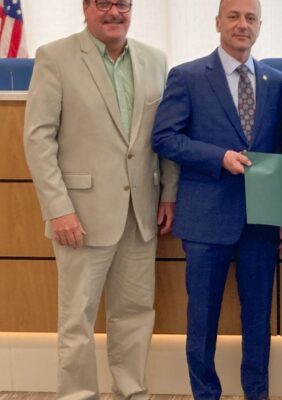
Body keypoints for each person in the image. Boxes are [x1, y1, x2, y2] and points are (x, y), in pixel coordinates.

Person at [22, 1, 179, 399]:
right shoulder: (54, 57)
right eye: (104, 3)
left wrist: (169, 195)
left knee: (135, 316)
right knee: (77, 320)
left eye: (122, 4)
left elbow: (165, 135)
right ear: (86, 8)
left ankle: (132, 392)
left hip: (141, 213)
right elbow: (38, 141)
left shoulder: (155, 60)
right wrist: (59, 210)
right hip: (80, 217)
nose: (114, 12)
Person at [151, 0, 282, 398]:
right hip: (205, 218)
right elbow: (164, 138)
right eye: (234, 16)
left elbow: (279, 147)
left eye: (250, 18)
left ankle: (256, 393)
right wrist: (217, 157)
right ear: (217, 23)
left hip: (261, 220)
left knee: (259, 319)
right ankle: (205, 394)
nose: (242, 25)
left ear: (260, 25)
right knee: (202, 319)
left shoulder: (275, 81)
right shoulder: (188, 76)